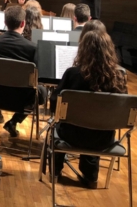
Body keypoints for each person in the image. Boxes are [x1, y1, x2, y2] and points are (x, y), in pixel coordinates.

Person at [50, 30, 127, 188]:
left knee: (62, 125)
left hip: (71, 136)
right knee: (96, 124)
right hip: (103, 140)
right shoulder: (118, 77)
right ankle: (91, 176)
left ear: (82, 49)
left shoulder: (73, 74)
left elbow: (54, 104)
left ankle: (55, 170)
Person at [0, 6, 47, 137]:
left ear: (5, 23)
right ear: (23, 23)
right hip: (21, 100)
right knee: (42, 92)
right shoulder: (32, 48)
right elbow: (38, 76)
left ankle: (0, 114)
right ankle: (14, 121)